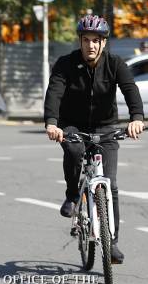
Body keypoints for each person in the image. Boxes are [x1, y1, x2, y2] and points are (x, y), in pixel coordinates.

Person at [44, 14, 144, 264]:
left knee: (111, 184)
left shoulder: (115, 63)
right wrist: (52, 123)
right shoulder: (65, 64)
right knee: (74, 151)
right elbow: (55, 91)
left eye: (96, 40)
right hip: (73, 124)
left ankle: (113, 243)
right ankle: (72, 194)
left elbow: (130, 89)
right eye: (86, 40)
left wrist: (136, 118)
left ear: (103, 42)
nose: (91, 45)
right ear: (80, 41)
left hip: (106, 125)